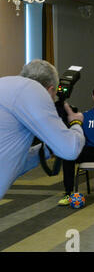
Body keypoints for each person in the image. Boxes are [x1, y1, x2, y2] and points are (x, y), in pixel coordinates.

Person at [0, 59, 85, 200]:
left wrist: (47, 150)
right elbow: (70, 150)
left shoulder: (5, 84)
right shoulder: (33, 90)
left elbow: (13, 159)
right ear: (51, 89)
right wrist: (76, 122)